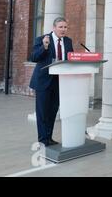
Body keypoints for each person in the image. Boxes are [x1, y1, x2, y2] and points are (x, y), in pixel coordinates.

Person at [29, 17, 74, 146]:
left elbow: (70, 59)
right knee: (43, 112)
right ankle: (43, 140)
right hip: (43, 81)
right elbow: (34, 57)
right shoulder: (43, 39)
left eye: (65, 27)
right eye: (60, 27)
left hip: (59, 81)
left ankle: (49, 137)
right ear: (54, 28)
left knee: (53, 111)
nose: (63, 29)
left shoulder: (68, 41)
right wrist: (45, 46)